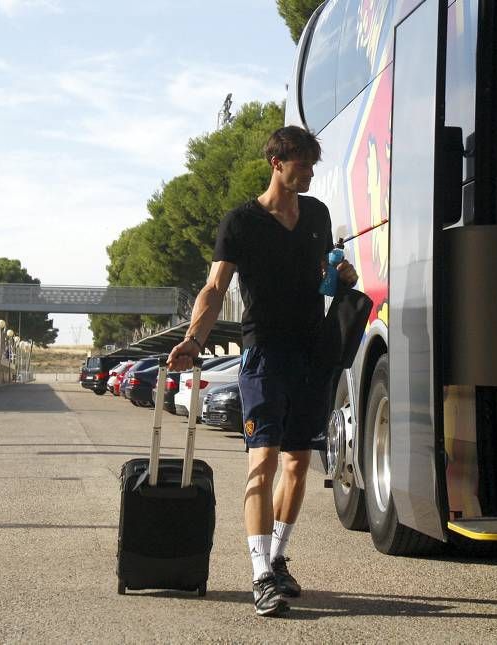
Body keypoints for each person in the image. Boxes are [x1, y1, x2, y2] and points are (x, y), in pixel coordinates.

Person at [167, 125, 358, 617]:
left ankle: (277, 558)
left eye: (314, 164)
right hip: (264, 353)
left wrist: (340, 277)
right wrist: (193, 339)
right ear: (278, 162)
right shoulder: (241, 222)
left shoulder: (316, 214)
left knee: (297, 464)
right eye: (303, 164)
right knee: (263, 459)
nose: (311, 172)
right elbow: (213, 288)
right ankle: (259, 577)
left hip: (311, 351)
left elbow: (325, 277)